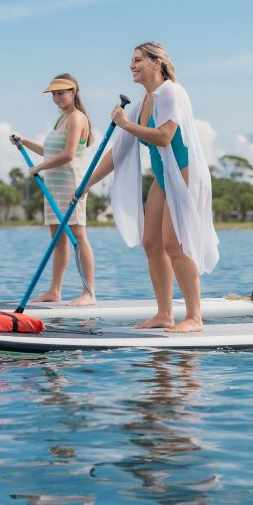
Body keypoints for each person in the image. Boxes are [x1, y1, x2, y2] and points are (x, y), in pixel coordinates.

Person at [80, 42, 218, 332]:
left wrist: (124, 124)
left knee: (174, 244)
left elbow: (165, 136)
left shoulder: (171, 92)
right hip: (163, 177)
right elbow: (118, 153)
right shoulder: (144, 102)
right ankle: (164, 314)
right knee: (151, 243)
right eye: (130, 60)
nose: (132, 64)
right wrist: (86, 185)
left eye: (138, 59)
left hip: (184, 175)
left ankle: (194, 317)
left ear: (157, 63)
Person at [10, 74, 95, 306]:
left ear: (73, 91)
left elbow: (68, 155)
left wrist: (39, 167)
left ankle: (89, 292)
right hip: (53, 186)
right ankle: (54, 291)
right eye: (53, 94)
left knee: (78, 235)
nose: (56, 97)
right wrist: (24, 142)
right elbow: (51, 152)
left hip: (71, 184)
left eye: (61, 92)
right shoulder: (61, 120)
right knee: (58, 240)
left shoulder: (77, 118)